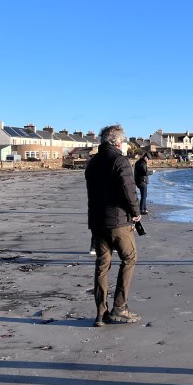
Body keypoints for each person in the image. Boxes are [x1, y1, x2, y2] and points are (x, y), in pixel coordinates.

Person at [85, 124, 142, 327]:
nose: (124, 142)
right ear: (118, 141)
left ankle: (101, 313)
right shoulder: (120, 160)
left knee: (102, 264)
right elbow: (129, 190)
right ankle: (120, 307)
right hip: (118, 221)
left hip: (97, 221)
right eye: (123, 139)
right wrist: (136, 213)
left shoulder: (92, 163)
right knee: (129, 258)